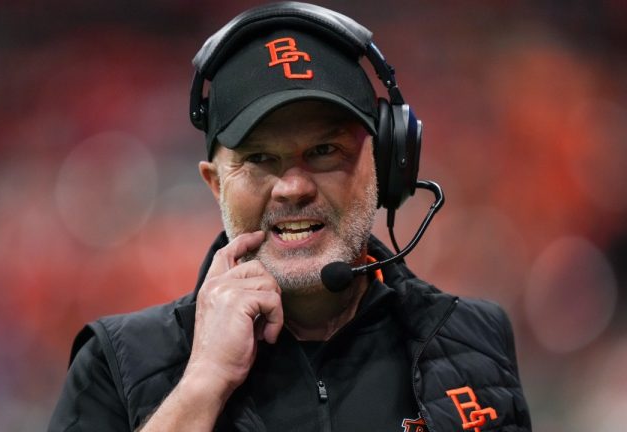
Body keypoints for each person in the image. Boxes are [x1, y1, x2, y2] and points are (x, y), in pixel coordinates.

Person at [48, 2, 531, 431]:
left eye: (324, 150)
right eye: (259, 159)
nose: (294, 187)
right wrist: (202, 384)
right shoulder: (117, 362)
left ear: (385, 165)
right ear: (216, 184)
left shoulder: (475, 340)